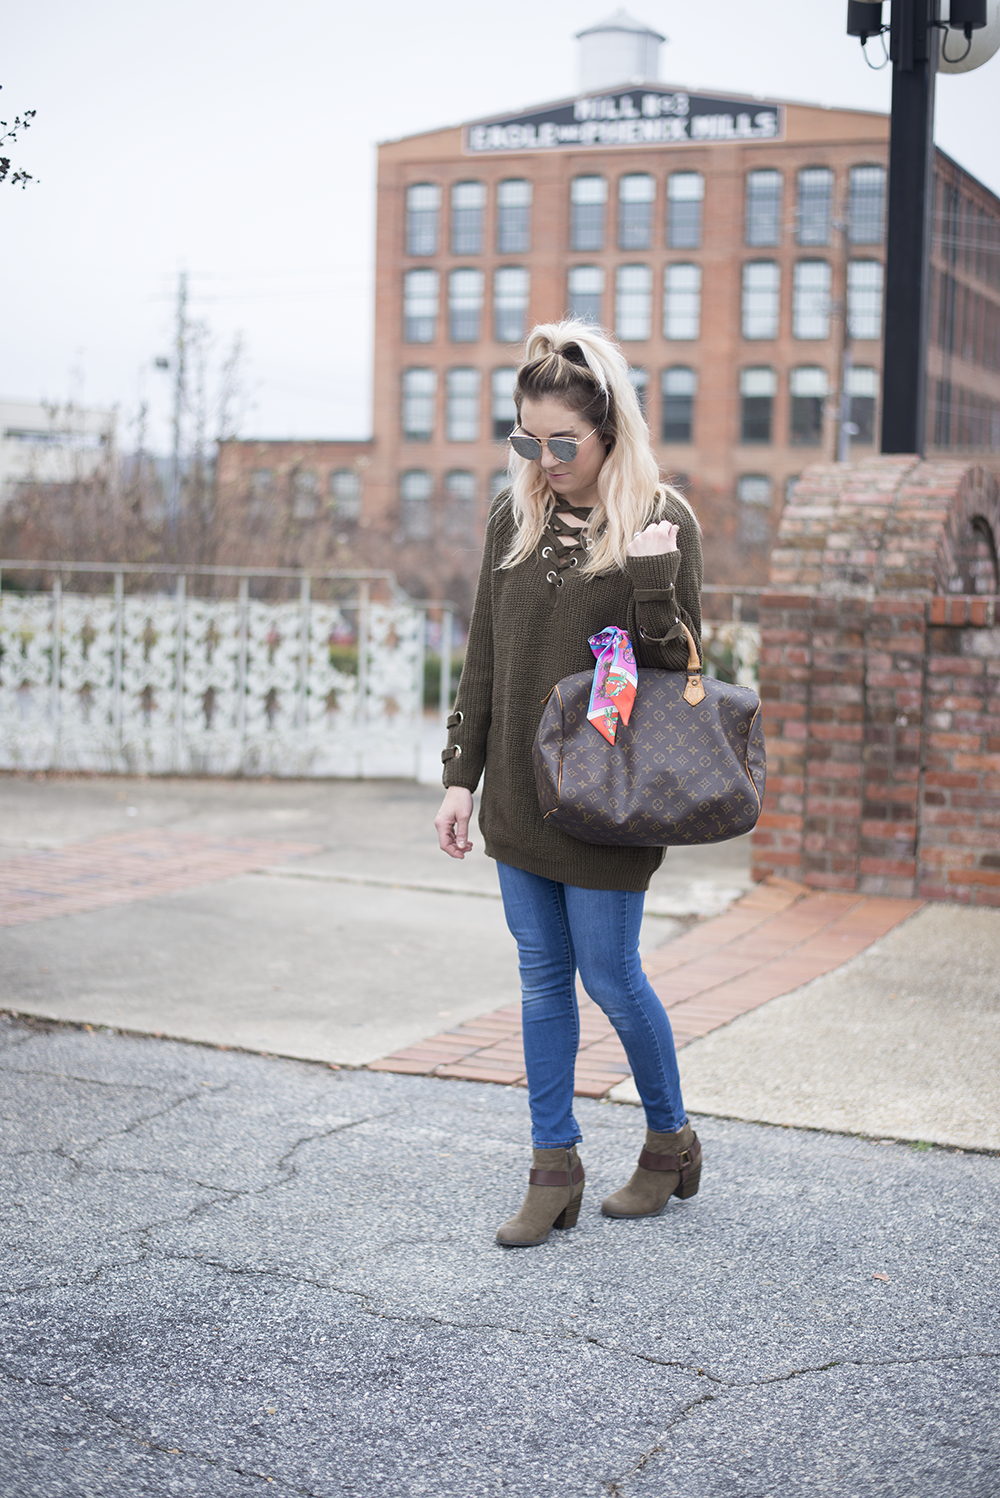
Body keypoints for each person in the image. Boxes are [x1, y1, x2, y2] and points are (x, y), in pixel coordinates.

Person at [434, 320, 703, 1248]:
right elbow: (482, 659)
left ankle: (669, 1142)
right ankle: (554, 1166)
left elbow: (679, 674)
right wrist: (457, 778)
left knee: (611, 976)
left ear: (609, 434)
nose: (544, 460)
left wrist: (655, 574)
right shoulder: (513, 519)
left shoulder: (661, 521)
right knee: (542, 980)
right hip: (516, 791)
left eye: (562, 443)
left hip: (606, 797)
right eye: (526, 439)